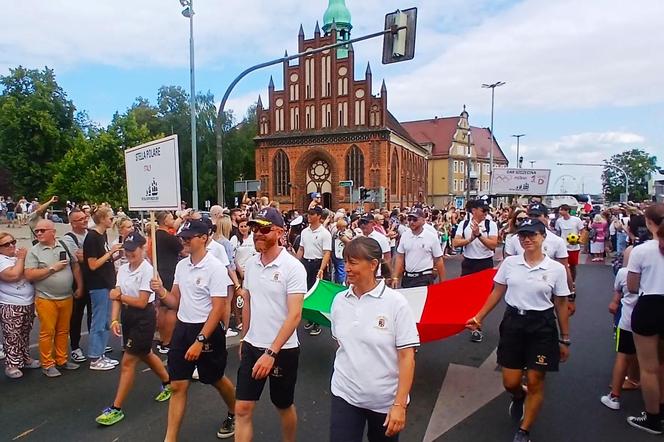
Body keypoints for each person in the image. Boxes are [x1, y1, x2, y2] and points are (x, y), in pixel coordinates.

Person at [465, 219, 571, 442]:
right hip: (514, 322)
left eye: (532, 235)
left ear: (543, 237)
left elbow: (561, 303)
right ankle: (518, 395)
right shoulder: (510, 264)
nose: (527, 239)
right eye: (523, 235)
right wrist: (479, 317)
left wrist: (565, 339)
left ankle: (524, 430)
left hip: (542, 325)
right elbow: (497, 292)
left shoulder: (556, 269)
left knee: (535, 380)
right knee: (510, 382)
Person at [150, 220, 237, 441]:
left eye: (188, 237)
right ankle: (170, 438)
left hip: (206, 331)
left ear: (203, 238)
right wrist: (160, 291)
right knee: (178, 385)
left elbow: (218, 308)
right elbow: (174, 301)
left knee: (215, 379)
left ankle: (236, 412)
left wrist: (200, 341)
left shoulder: (215, 268)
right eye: (182, 237)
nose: (184, 241)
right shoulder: (182, 266)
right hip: (183, 329)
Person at [330, 236, 419, 442]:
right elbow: (341, 343)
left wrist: (399, 405)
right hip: (345, 394)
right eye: (345, 262)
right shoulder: (339, 301)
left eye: (353, 262)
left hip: (384, 402)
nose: (347, 268)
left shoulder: (396, 304)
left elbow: (407, 357)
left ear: (373, 265)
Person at [234, 207, 307, 442]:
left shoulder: (293, 267)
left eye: (264, 229)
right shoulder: (252, 265)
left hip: (282, 351)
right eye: (255, 228)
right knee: (242, 409)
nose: (257, 233)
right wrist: (245, 338)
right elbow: (248, 303)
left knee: (283, 405)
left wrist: (271, 352)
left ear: (279, 232)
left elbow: (295, 315)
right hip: (253, 346)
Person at [95, 232, 172, 426]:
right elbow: (116, 295)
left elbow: (141, 301)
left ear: (142, 248)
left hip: (143, 318)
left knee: (128, 361)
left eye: (132, 250)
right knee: (145, 353)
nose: (129, 254)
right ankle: (169, 382)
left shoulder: (148, 270)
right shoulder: (123, 269)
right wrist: (114, 319)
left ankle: (116, 408)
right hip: (128, 316)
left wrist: (118, 297)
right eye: (126, 250)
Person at [24, 219, 84, 377]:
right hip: (46, 298)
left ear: (53, 232)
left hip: (66, 296)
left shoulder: (63, 245)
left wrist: (80, 286)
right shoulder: (34, 251)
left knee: (63, 330)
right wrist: (52, 269)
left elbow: (75, 265)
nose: (38, 233)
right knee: (47, 331)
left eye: (42, 230)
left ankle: (61, 359)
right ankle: (47, 364)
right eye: (37, 231)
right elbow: (29, 274)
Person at [625, 203, 664, 434]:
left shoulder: (641, 250)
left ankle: (652, 418)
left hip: (649, 305)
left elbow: (631, 286)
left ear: (649, 223)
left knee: (649, 368)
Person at [452, 198, 498, 342]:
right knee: (467, 297)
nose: (485, 213)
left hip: (485, 263)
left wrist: (479, 235)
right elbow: (455, 243)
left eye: (487, 210)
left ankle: (477, 326)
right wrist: (470, 239)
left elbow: (493, 245)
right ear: (474, 210)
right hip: (469, 263)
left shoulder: (491, 225)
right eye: (483, 210)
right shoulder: (464, 224)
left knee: (483, 298)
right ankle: (471, 322)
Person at [601, 246, 639, 410]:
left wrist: (615, 303)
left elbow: (620, 292)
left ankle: (615, 396)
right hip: (654, 317)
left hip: (630, 320)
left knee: (623, 355)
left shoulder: (624, 273)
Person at [84, 206, 122, 370]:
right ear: (102, 219)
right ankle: (94, 357)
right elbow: (92, 264)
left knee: (106, 320)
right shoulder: (92, 237)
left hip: (106, 282)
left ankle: (101, 353)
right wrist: (110, 252)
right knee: (98, 321)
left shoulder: (102, 235)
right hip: (97, 284)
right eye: (110, 217)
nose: (112, 220)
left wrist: (115, 255)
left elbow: (104, 260)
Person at [0, 232, 40, 378]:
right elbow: (13, 275)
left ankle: (25, 357)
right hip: (10, 304)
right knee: (12, 336)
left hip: (27, 302)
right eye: (6, 244)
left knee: (24, 333)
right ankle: (12, 365)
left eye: (13, 242)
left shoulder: (15, 257)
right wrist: (22, 258)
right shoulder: (2, 260)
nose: (11, 246)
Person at [61, 209, 91, 363]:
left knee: (94, 313)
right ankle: (75, 347)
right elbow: (78, 259)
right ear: (72, 223)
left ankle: (95, 343)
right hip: (78, 281)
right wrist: (93, 256)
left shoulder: (90, 234)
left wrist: (89, 255)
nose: (84, 221)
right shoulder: (68, 238)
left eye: (85, 218)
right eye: (79, 219)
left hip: (93, 281)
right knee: (76, 316)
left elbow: (87, 256)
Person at [297, 206, 332, 336]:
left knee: (316, 293)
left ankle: (317, 323)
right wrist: (296, 263)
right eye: (308, 214)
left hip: (318, 263)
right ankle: (310, 318)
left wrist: (322, 269)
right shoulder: (305, 232)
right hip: (306, 263)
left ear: (318, 216)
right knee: (306, 291)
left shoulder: (324, 233)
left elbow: (326, 252)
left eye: (312, 214)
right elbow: (301, 249)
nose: (309, 216)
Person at [391, 208, 445, 288]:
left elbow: (438, 260)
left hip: (424, 277)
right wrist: (395, 277)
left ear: (423, 221)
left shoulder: (431, 237)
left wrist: (442, 282)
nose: (411, 222)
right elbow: (400, 257)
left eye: (415, 219)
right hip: (408, 277)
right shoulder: (405, 235)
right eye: (409, 219)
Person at [154, 211, 183, 355]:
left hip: (160, 272)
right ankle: (168, 341)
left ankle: (162, 340)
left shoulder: (155, 235)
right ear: (165, 221)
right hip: (169, 273)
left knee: (162, 308)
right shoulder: (168, 237)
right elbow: (183, 250)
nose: (174, 220)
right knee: (172, 308)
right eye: (171, 218)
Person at [555, 204, 585, 295]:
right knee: (563, 266)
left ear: (567, 210)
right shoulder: (559, 221)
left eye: (561, 210)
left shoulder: (576, 220)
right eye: (559, 210)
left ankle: (573, 281)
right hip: (563, 246)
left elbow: (583, 231)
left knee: (572, 266)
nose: (560, 212)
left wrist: (580, 240)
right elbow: (558, 232)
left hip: (574, 247)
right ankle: (564, 282)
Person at [332, 218, 354, 285]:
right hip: (340, 254)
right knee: (341, 270)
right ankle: (341, 284)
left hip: (336, 254)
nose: (345, 228)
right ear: (339, 227)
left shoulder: (335, 233)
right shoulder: (340, 234)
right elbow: (348, 242)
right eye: (343, 227)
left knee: (338, 270)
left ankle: (338, 283)